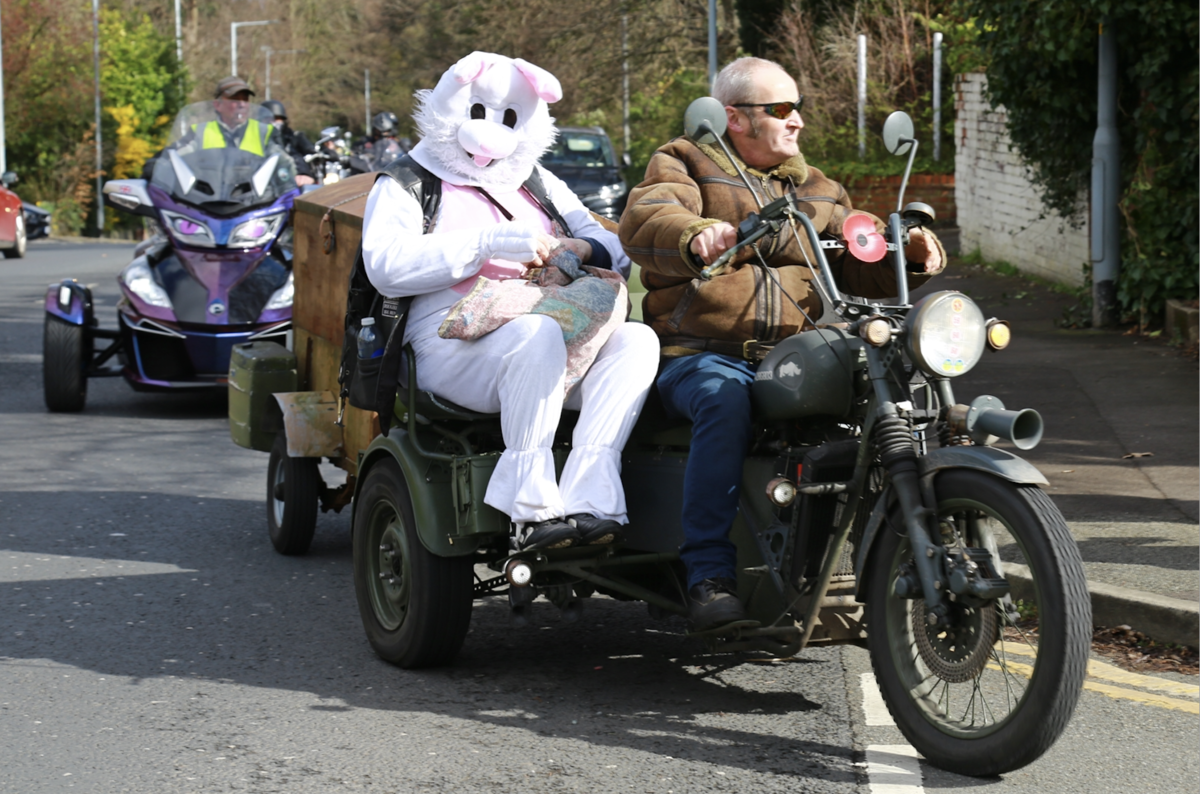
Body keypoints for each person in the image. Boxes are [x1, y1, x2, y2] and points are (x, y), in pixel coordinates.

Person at [618, 57, 946, 631]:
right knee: (724, 401)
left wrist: (907, 253)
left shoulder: (817, 188)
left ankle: (887, 557)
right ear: (734, 119)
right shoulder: (684, 163)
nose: (797, 122)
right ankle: (709, 577)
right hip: (697, 354)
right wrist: (697, 235)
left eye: (799, 109)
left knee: (890, 388)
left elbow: (859, 259)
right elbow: (648, 220)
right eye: (782, 109)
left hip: (794, 356)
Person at [362, 52, 660, 552]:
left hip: (549, 324)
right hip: (447, 337)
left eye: (507, 118)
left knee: (636, 340)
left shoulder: (538, 181)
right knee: (535, 333)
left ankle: (591, 495)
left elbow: (613, 248)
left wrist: (580, 248)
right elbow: (386, 268)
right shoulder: (408, 180)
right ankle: (529, 507)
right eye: (479, 113)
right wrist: (487, 244)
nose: (492, 133)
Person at [261, 99, 317, 186]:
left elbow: (298, 156)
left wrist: (303, 174)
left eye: (278, 119)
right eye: (271, 119)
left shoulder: (292, 137)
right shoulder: (253, 139)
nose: (275, 122)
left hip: (289, 181)